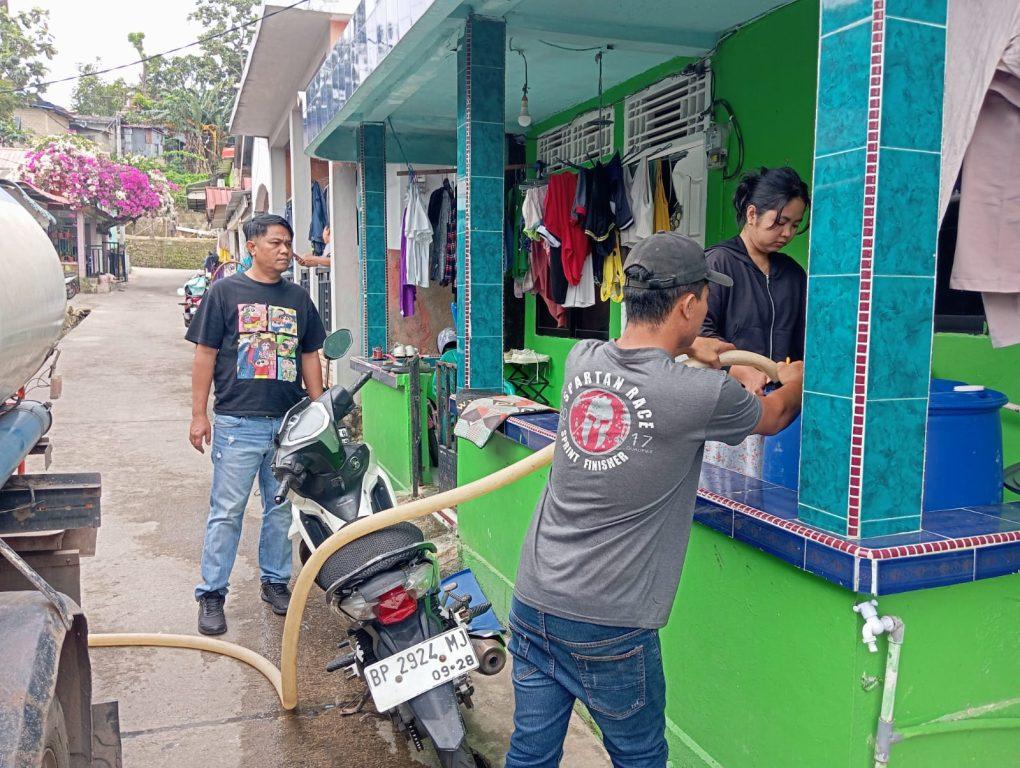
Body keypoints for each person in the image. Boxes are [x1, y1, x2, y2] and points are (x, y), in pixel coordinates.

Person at [506, 232, 803, 768]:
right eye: (705, 299)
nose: (708, 309)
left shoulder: (581, 359)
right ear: (688, 305)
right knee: (640, 757)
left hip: (535, 599)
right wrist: (798, 375)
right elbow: (776, 414)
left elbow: (642, 355)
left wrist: (692, 347)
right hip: (610, 623)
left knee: (530, 753)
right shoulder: (702, 395)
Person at [186, 213, 326, 636]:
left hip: (287, 425)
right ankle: (212, 593)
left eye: (287, 243)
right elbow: (205, 355)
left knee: (279, 511)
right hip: (237, 424)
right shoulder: (224, 292)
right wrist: (198, 414)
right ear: (252, 246)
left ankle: (275, 582)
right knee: (227, 512)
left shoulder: (298, 298)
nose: (284, 251)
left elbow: (309, 355)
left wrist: (319, 411)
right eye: (275, 243)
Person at [702, 166, 810, 395]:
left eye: (795, 225)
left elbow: (804, 340)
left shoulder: (793, 275)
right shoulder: (718, 264)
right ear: (752, 215)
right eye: (780, 222)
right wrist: (738, 370)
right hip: (728, 395)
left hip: (780, 399)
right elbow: (698, 335)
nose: (787, 233)